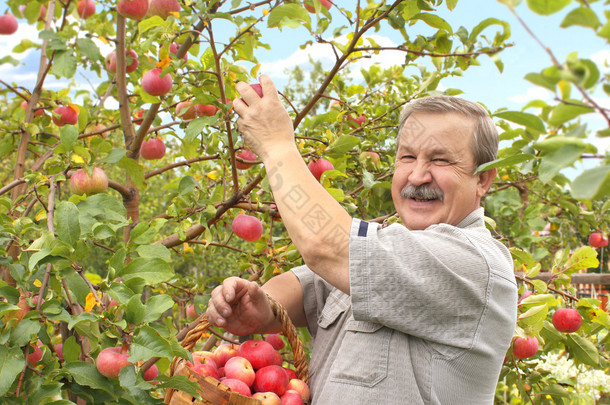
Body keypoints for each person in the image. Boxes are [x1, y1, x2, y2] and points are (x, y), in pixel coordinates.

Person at [206, 75, 517, 404]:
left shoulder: (473, 262)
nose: (417, 175)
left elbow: (327, 248)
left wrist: (276, 146)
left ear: (482, 178)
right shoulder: (389, 245)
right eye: (407, 157)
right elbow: (308, 286)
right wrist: (260, 306)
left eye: (440, 160)